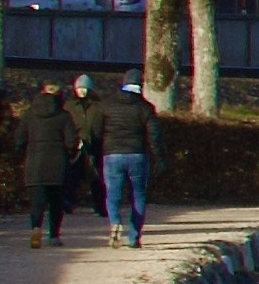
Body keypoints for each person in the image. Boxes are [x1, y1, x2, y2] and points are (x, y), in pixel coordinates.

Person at [91, 70, 160, 247]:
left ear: (124, 84)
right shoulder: (145, 107)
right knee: (138, 195)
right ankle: (134, 236)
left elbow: (96, 132)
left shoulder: (106, 105)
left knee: (113, 193)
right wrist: (158, 157)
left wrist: (97, 153)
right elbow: (154, 135)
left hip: (112, 154)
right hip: (137, 154)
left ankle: (115, 223)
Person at [20, 74, 83, 249]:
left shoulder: (29, 114)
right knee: (56, 202)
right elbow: (72, 141)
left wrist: (25, 152)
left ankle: (35, 228)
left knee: (37, 202)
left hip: (35, 162)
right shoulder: (64, 116)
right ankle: (54, 235)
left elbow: (19, 138)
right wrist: (69, 154)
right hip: (58, 163)